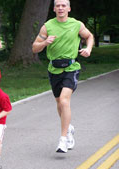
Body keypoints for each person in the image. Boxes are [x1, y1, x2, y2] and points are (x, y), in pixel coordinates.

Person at [32, 0, 94, 153]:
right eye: (58, 6)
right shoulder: (47, 26)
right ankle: (69, 128)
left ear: (69, 8)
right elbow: (34, 48)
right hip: (54, 69)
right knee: (60, 104)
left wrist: (89, 48)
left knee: (65, 100)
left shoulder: (76, 24)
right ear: (54, 9)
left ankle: (63, 139)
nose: (60, 8)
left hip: (71, 67)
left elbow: (89, 36)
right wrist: (45, 42)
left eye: (63, 5)